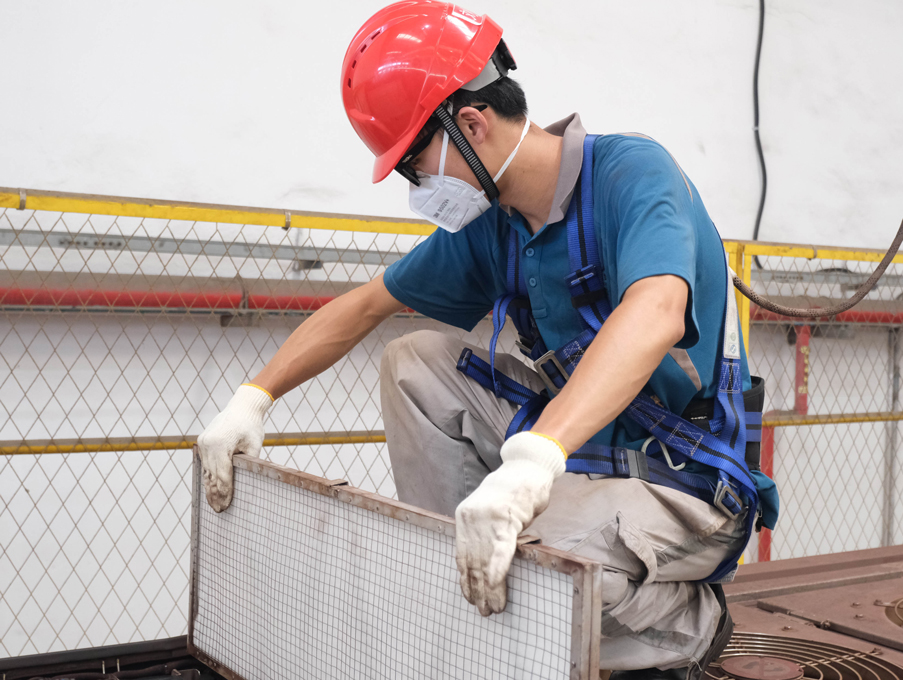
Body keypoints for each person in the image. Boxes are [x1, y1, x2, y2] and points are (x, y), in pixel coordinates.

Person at [196, 2, 779, 677]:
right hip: (586, 458)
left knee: (542, 575)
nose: (420, 189)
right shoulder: (495, 229)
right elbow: (363, 308)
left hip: (688, 482)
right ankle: (468, 581)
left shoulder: (630, 174)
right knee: (414, 361)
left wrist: (532, 461)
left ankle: (686, 622)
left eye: (416, 168)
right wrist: (254, 397)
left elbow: (655, 312)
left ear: (469, 123)